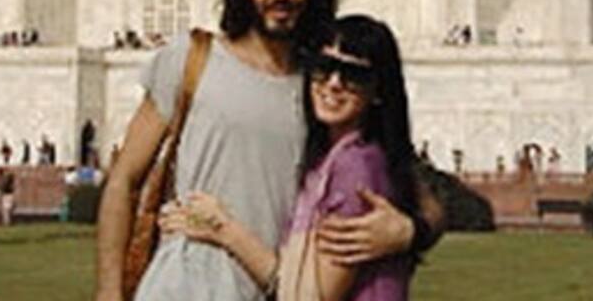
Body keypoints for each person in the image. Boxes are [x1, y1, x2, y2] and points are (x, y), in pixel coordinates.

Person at [95, 0, 444, 301]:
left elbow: (420, 192)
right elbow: (124, 179)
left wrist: (410, 232)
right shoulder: (192, 59)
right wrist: (109, 293)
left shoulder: (325, 87)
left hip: (277, 287)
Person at [163, 16, 419, 300]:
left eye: (354, 75)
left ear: (378, 91)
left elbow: (306, 296)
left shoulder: (356, 167)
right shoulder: (331, 158)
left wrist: (224, 229)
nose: (334, 84)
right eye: (324, 68)